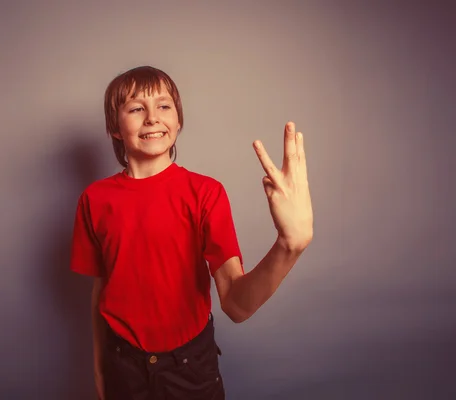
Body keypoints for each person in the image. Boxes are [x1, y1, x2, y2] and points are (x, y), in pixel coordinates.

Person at [70, 66, 313, 400]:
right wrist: (100, 368)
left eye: (164, 106)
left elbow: (236, 305)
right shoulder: (94, 200)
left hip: (189, 368)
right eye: (137, 108)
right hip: (121, 366)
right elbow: (102, 289)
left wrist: (289, 246)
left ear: (179, 120)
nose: (152, 117)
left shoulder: (206, 193)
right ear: (114, 127)